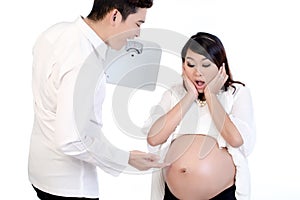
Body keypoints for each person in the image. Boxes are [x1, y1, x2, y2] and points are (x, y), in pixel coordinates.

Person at [28, 0, 166, 199]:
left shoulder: (55, 33)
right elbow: (70, 140)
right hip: (70, 185)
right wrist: (126, 158)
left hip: (41, 172)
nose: (138, 33)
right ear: (115, 16)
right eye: (138, 24)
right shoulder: (85, 62)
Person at [145, 32, 256, 200]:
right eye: (190, 64)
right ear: (183, 66)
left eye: (206, 64)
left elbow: (236, 140)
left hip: (221, 194)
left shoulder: (236, 94)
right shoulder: (174, 94)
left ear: (221, 67)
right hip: (172, 194)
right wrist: (190, 96)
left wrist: (211, 96)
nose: (198, 72)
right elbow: (154, 138)